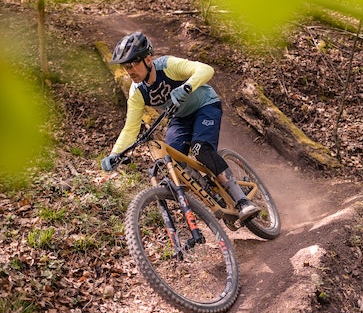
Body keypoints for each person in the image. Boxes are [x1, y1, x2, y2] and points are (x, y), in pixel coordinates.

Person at [101, 31, 260, 222]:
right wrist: (114, 154)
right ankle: (211, 192)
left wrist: (187, 87)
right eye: (125, 66)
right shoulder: (137, 93)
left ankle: (242, 201)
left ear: (148, 59)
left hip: (205, 106)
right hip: (179, 118)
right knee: (172, 163)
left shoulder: (167, 66)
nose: (130, 70)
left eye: (133, 63)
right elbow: (130, 128)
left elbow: (205, 70)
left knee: (201, 149)